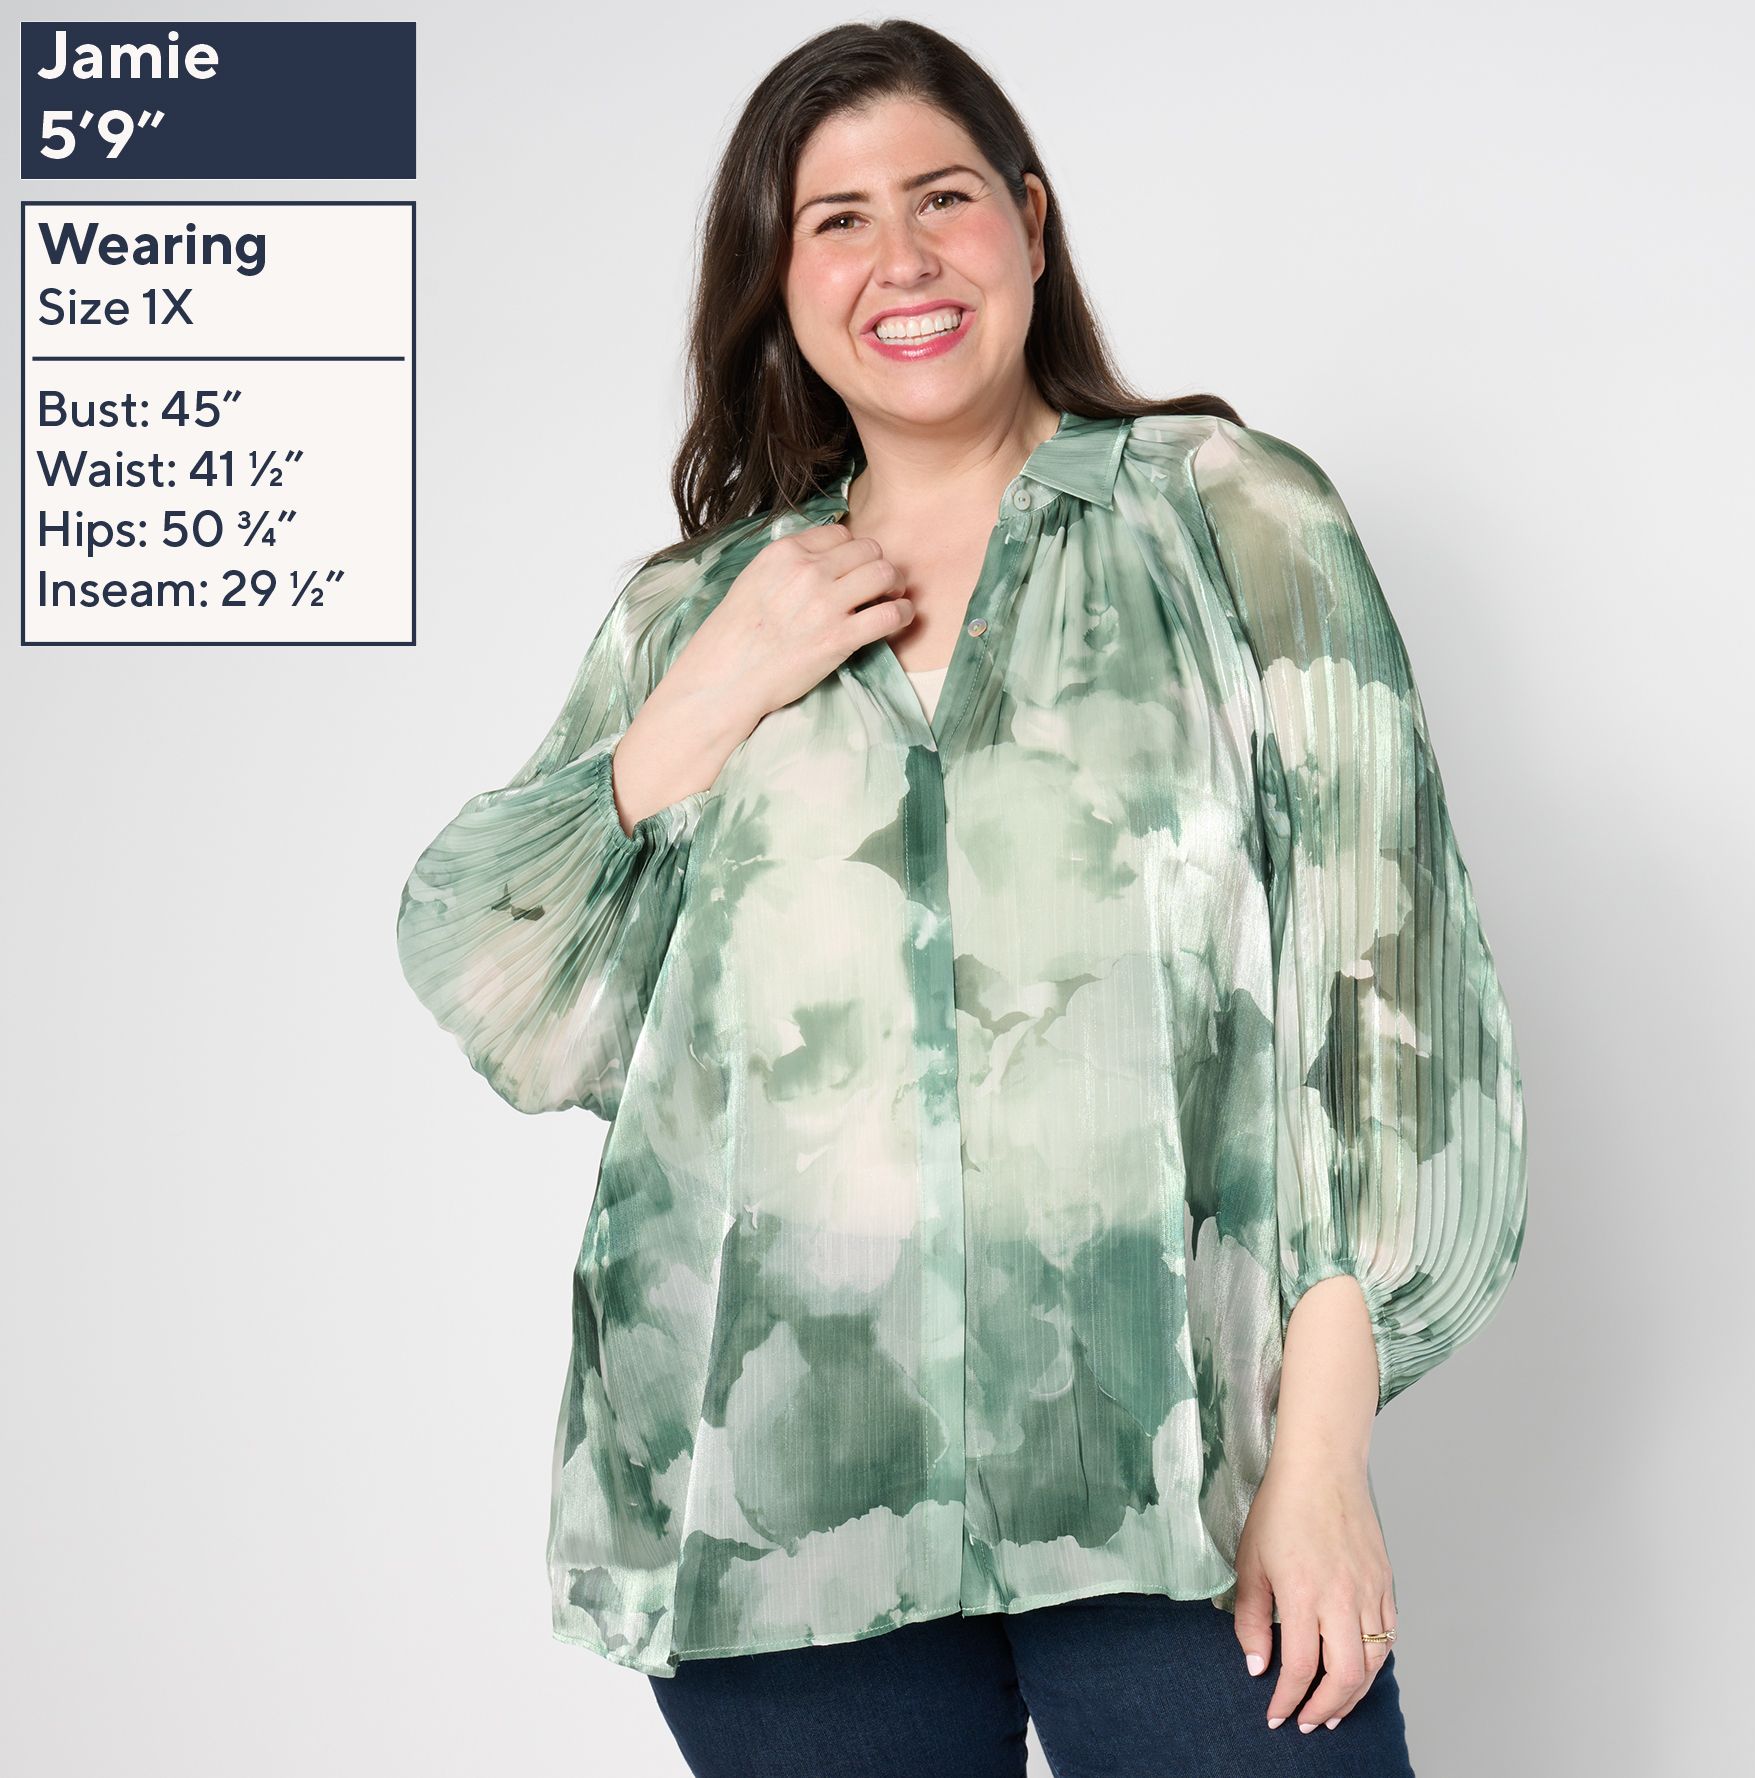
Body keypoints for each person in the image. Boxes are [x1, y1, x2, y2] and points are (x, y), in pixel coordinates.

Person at [394, 18, 1528, 1776]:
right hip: (784, 1521)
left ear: (1030, 222)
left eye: (942, 198)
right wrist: (711, 688)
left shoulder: (1234, 523)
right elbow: (497, 971)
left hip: (1183, 1484)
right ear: (778, 286)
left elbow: (1391, 1019)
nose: (903, 259)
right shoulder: (700, 611)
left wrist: (1320, 1465)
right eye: (836, 220)